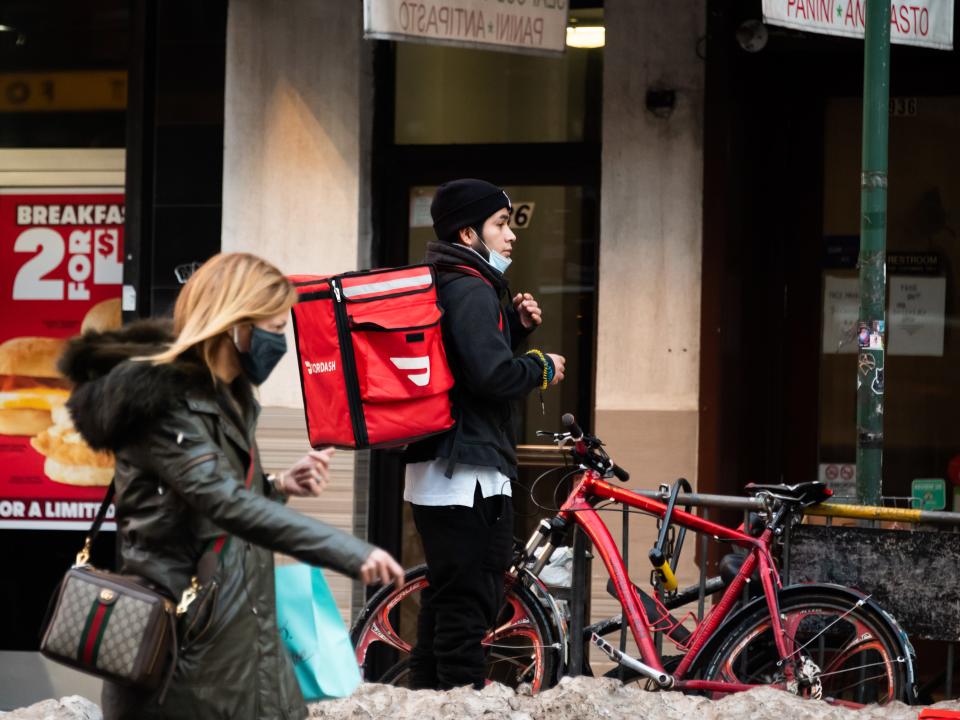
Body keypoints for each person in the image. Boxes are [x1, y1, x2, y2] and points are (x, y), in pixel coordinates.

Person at [60, 252, 404, 720]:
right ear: (234, 325)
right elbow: (224, 502)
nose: (280, 342)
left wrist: (279, 483)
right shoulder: (165, 406)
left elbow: (212, 495)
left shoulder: (227, 398)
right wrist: (350, 552)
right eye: (275, 328)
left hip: (238, 631)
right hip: (183, 647)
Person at [404, 178, 566, 690]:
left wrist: (513, 332)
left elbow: (464, 368)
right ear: (468, 232)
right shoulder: (470, 287)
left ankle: (429, 700)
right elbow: (491, 377)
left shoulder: (458, 283)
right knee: (468, 605)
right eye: (500, 224)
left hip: (449, 467)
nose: (511, 235)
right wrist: (539, 367)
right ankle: (458, 702)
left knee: (448, 600)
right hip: (463, 473)